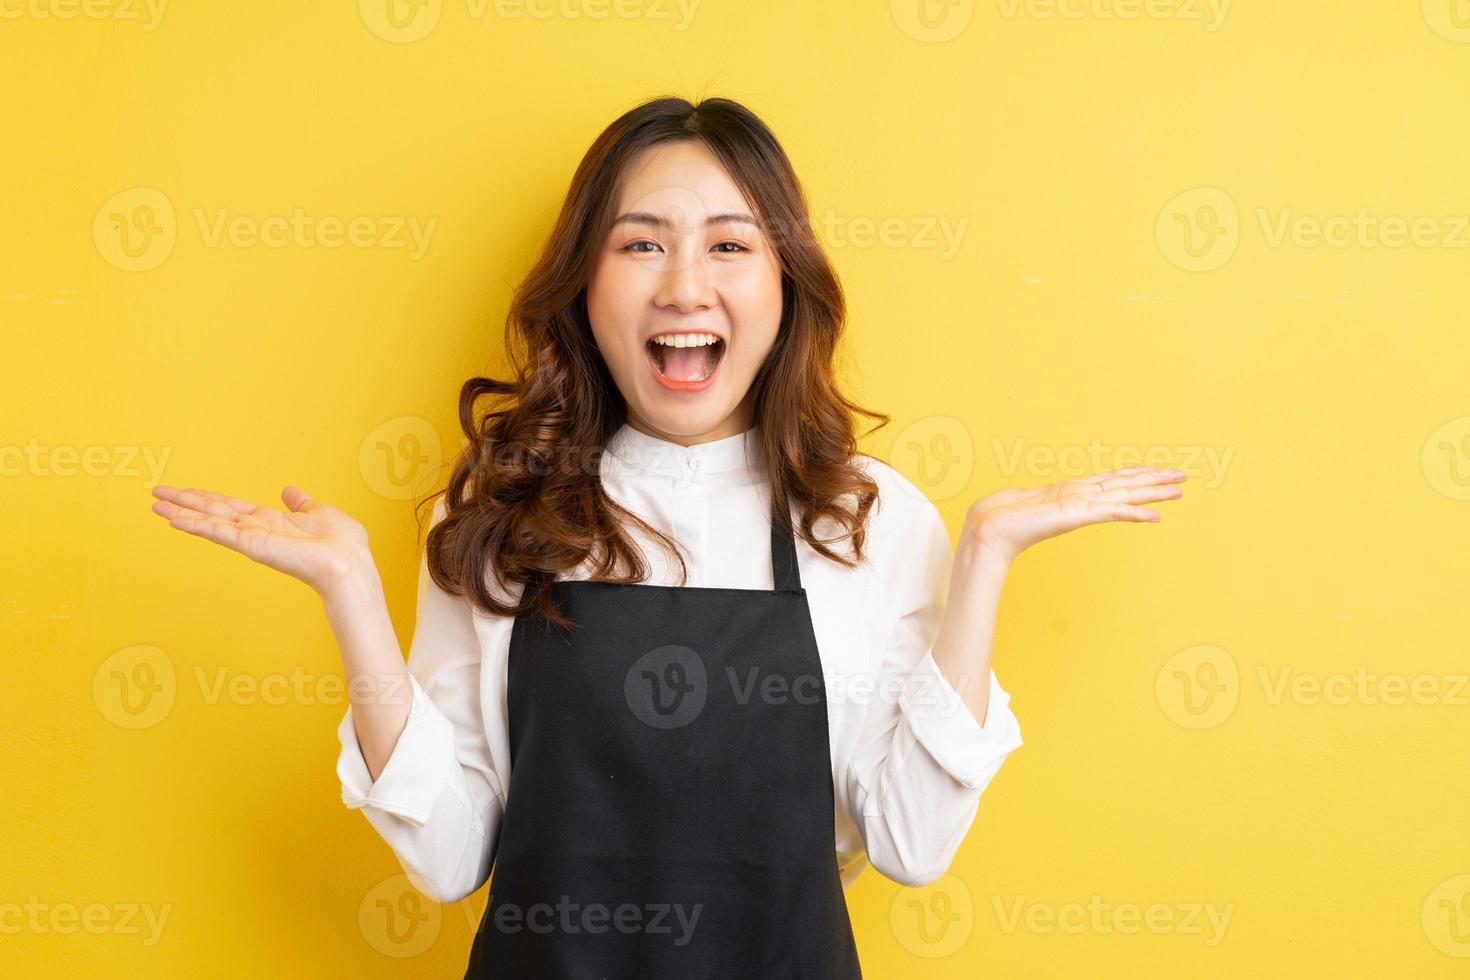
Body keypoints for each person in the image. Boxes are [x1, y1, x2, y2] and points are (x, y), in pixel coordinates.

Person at [148, 95, 1186, 978]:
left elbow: (911, 843)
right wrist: (350, 595)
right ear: (584, 287)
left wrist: (985, 561)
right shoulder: (503, 508)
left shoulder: (867, 516)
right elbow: (453, 855)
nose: (685, 285)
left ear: (784, 285)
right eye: (641, 242)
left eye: (731, 245)